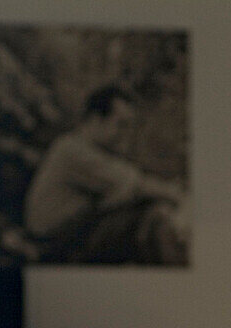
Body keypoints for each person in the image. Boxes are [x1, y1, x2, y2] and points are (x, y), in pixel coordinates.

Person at [22, 85, 187, 264]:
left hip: (67, 236)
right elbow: (136, 184)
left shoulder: (83, 148)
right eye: (121, 125)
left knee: (148, 212)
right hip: (54, 244)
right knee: (152, 217)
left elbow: (124, 189)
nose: (126, 134)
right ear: (96, 120)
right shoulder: (73, 150)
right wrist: (180, 196)